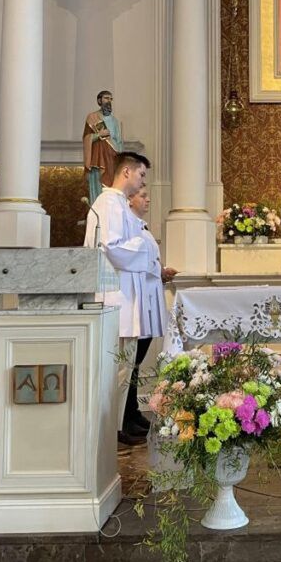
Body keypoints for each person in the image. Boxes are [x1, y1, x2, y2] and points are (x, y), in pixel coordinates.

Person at [84, 152, 153, 446]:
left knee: (124, 365)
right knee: (117, 365)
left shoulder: (119, 206)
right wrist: (145, 248)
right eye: (141, 175)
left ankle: (116, 425)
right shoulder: (109, 204)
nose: (142, 182)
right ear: (126, 172)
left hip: (125, 294)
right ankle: (109, 429)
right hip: (115, 295)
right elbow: (113, 247)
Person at [121, 186, 178, 436]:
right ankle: (123, 418)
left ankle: (132, 410)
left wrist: (161, 272)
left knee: (136, 363)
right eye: (142, 195)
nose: (147, 199)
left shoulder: (140, 226)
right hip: (134, 301)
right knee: (129, 363)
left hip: (147, 300)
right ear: (129, 199)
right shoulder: (127, 226)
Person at [83, 90, 124, 203]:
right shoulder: (92, 117)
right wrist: (99, 135)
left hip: (112, 158)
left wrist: (121, 160)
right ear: (99, 100)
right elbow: (86, 138)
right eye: (106, 98)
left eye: (111, 99)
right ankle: (97, 212)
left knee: (112, 188)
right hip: (97, 158)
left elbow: (119, 142)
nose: (109, 101)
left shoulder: (115, 121)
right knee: (98, 185)